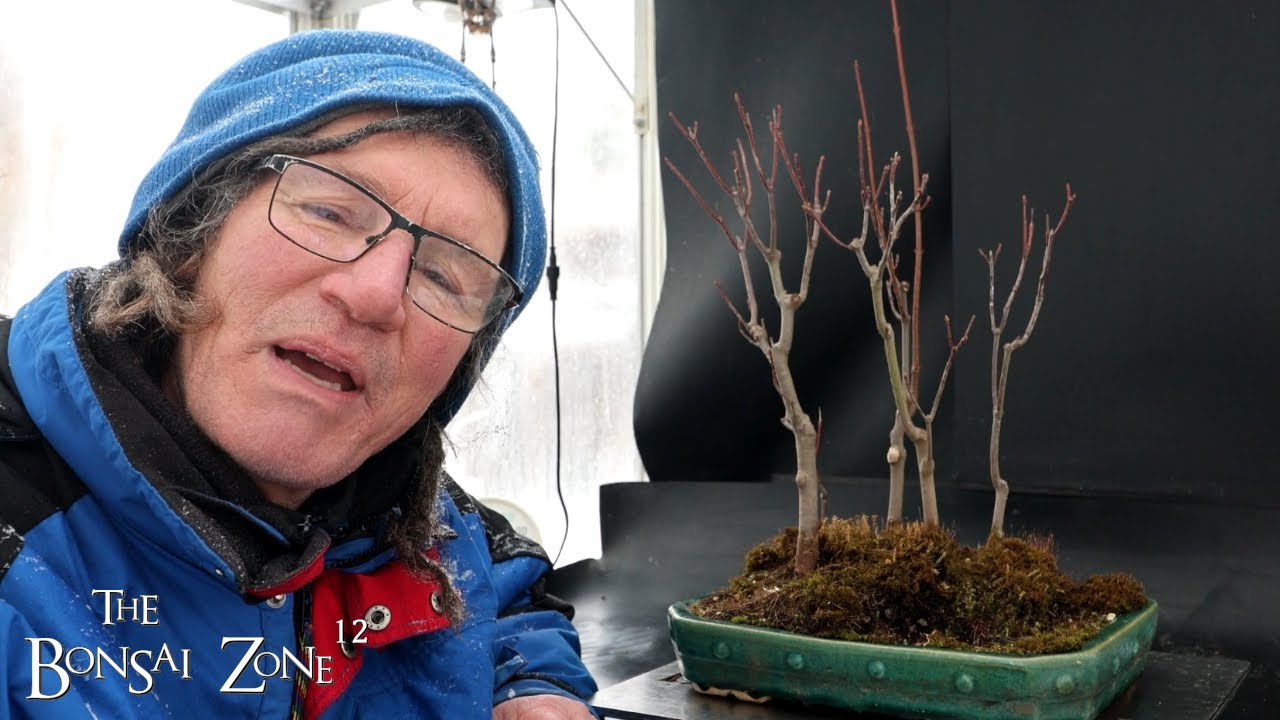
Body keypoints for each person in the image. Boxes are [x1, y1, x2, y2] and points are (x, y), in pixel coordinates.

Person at [0, 30, 597, 719]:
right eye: (328, 212)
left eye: (442, 274)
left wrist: (532, 686)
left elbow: (511, 597)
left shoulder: (409, 518)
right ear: (192, 234)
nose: (376, 295)